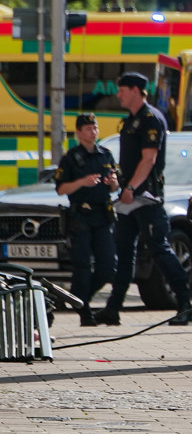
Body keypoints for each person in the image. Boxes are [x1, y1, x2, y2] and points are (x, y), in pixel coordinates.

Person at [93, 72, 192, 327]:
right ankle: (113, 309)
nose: (118, 95)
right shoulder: (130, 121)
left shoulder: (151, 119)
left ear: (136, 91)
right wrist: (118, 182)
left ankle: (185, 304)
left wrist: (131, 187)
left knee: (159, 248)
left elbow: (149, 159)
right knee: (124, 252)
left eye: (122, 90)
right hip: (129, 198)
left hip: (146, 198)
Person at [53, 113, 119, 326]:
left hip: (102, 215)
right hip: (81, 216)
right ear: (79, 133)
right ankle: (85, 313)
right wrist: (82, 182)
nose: (93, 132)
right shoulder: (70, 158)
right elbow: (61, 189)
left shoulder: (106, 155)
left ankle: (79, 299)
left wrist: (113, 183)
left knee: (108, 265)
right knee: (82, 267)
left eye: (95, 127)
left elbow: (115, 186)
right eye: (89, 129)